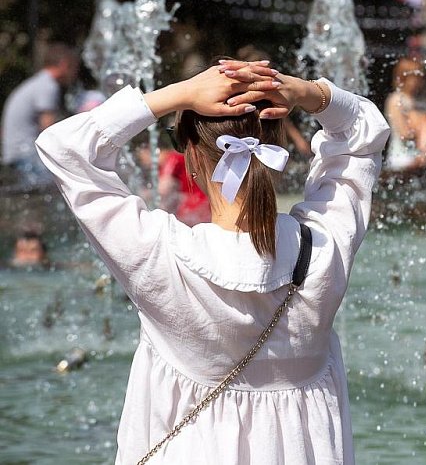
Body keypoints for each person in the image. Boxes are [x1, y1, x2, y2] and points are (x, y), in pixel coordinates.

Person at [35, 58, 390, 463]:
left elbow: (64, 148)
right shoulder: (325, 247)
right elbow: (363, 129)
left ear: (191, 156)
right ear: (279, 147)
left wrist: (178, 94)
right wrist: (307, 92)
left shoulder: (160, 254)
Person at [2, 43, 79, 181]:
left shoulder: (38, 82)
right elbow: (48, 128)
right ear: (64, 64)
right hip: (25, 154)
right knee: (63, 182)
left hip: (14, 152)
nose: (75, 74)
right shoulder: (48, 86)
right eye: (74, 68)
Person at [383, 57, 426, 171]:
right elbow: (404, 133)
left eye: (419, 77)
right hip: (402, 158)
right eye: (412, 77)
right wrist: (422, 124)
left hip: (417, 156)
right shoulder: (396, 99)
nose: (416, 82)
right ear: (402, 78)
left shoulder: (419, 100)